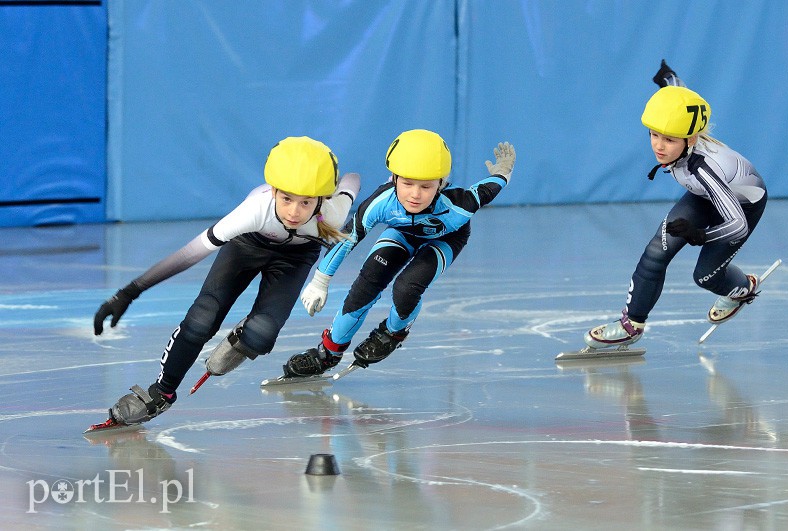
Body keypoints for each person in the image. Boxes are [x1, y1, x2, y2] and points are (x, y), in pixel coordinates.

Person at [89, 136, 360, 429]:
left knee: (261, 336)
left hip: (296, 256)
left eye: (306, 202)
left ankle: (248, 332)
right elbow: (189, 254)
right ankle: (162, 391)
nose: (294, 212)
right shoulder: (256, 209)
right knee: (201, 319)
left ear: (321, 197)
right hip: (247, 245)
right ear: (273, 190)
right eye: (286, 199)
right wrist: (128, 293)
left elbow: (353, 180)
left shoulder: (333, 211)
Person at [281, 129, 515, 377]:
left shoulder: (459, 204)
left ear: (441, 184)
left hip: (445, 239)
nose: (415, 195)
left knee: (407, 287)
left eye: (426, 186)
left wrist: (503, 172)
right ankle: (327, 353)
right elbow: (348, 238)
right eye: (407, 183)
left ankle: (393, 332)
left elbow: (488, 188)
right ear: (393, 178)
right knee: (364, 287)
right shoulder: (380, 202)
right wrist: (320, 280)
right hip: (402, 234)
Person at [584, 61, 768, 349]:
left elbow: (738, 224)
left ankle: (744, 286)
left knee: (705, 276)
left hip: (741, 207)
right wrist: (668, 79)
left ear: (691, 139)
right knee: (656, 252)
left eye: (669, 140)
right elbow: (679, 98)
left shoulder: (703, 167)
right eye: (654, 135)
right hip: (706, 195)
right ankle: (631, 325)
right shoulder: (683, 133)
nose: (659, 146)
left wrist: (702, 236)